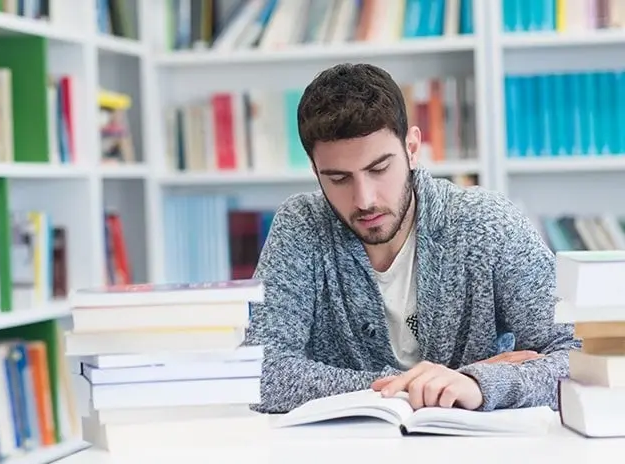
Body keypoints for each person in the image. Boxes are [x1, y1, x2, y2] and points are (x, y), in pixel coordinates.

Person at [243, 63, 580, 414]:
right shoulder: (301, 227)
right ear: (315, 172)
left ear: (412, 148)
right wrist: (427, 384)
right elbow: (258, 372)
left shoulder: (486, 222)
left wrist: (481, 384)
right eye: (339, 178)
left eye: (379, 169)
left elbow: (579, 354)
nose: (364, 199)